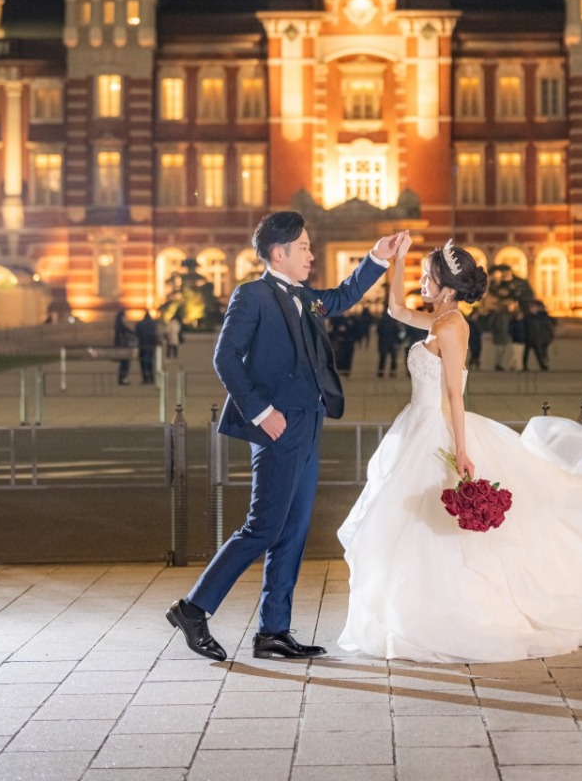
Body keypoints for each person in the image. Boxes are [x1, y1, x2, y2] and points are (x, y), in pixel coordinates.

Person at [337, 232, 582, 663]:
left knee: (431, 525)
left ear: (447, 289)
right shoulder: (441, 319)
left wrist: (462, 452)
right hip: (417, 426)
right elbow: (393, 309)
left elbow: (455, 395)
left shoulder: (450, 327)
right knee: (415, 522)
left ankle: (442, 612)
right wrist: (399, 261)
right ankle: (415, 609)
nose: (422, 283)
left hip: (436, 428)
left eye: (428, 277)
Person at [165, 211, 402, 662]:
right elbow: (225, 358)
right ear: (280, 252)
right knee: (263, 526)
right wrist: (261, 411)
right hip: (277, 423)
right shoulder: (251, 295)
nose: (312, 254)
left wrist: (377, 257)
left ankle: (273, 630)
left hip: (309, 420)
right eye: (305, 248)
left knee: (293, 530)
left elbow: (343, 295)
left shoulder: (305, 297)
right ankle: (193, 608)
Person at [522, 300, 554, 371]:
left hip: (537, 338)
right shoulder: (527, 318)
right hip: (528, 337)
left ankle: (542, 366)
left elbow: (546, 327)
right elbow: (524, 327)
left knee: (539, 353)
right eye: (532, 308)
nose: (533, 309)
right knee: (526, 353)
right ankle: (524, 366)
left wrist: (547, 336)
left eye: (534, 308)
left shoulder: (540, 317)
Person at [135, 310, 158, 385]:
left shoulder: (140, 324)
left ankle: (145, 378)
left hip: (142, 345)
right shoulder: (153, 324)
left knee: (143, 363)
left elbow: (136, 333)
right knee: (150, 362)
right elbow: (155, 334)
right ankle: (151, 378)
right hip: (150, 346)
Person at [376, 309, 400, 378]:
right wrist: (398, 341)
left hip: (383, 342)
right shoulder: (394, 321)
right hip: (393, 342)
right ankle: (392, 373)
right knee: (393, 359)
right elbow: (397, 332)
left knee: (383, 358)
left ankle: (380, 373)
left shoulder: (382, 321)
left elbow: (378, 331)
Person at [113, 308, 134, 386]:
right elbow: (127, 331)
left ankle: (122, 378)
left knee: (123, 364)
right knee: (125, 363)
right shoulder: (121, 325)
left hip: (120, 346)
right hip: (123, 346)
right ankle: (123, 378)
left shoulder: (118, 324)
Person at [489, 300, 511, 371]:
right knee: (500, 351)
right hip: (500, 335)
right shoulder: (499, 316)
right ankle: (498, 364)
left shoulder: (502, 316)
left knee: (501, 351)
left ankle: (499, 364)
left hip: (502, 335)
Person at [505, 307, 526, 371]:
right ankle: (520, 367)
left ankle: (511, 365)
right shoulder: (513, 323)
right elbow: (510, 331)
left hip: (522, 340)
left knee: (517, 355)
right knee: (518, 355)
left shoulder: (523, 323)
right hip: (516, 340)